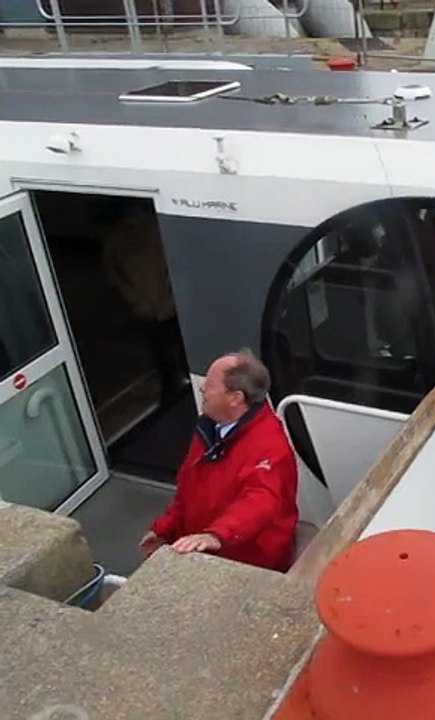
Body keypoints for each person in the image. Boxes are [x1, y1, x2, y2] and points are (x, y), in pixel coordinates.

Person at [139, 349, 299, 571]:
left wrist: (217, 536)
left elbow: (259, 501)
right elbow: (188, 492)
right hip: (207, 546)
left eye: (211, 385)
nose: (202, 387)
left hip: (248, 560)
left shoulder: (269, 447)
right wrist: (164, 529)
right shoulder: (209, 429)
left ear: (236, 398)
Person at [101, 200, 189, 405]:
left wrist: (172, 294)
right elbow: (111, 272)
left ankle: (188, 386)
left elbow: (175, 265)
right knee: (161, 353)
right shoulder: (117, 240)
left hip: (169, 305)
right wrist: (133, 298)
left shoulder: (158, 233)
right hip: (145, 308)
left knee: (182, 349)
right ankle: (171, 390)